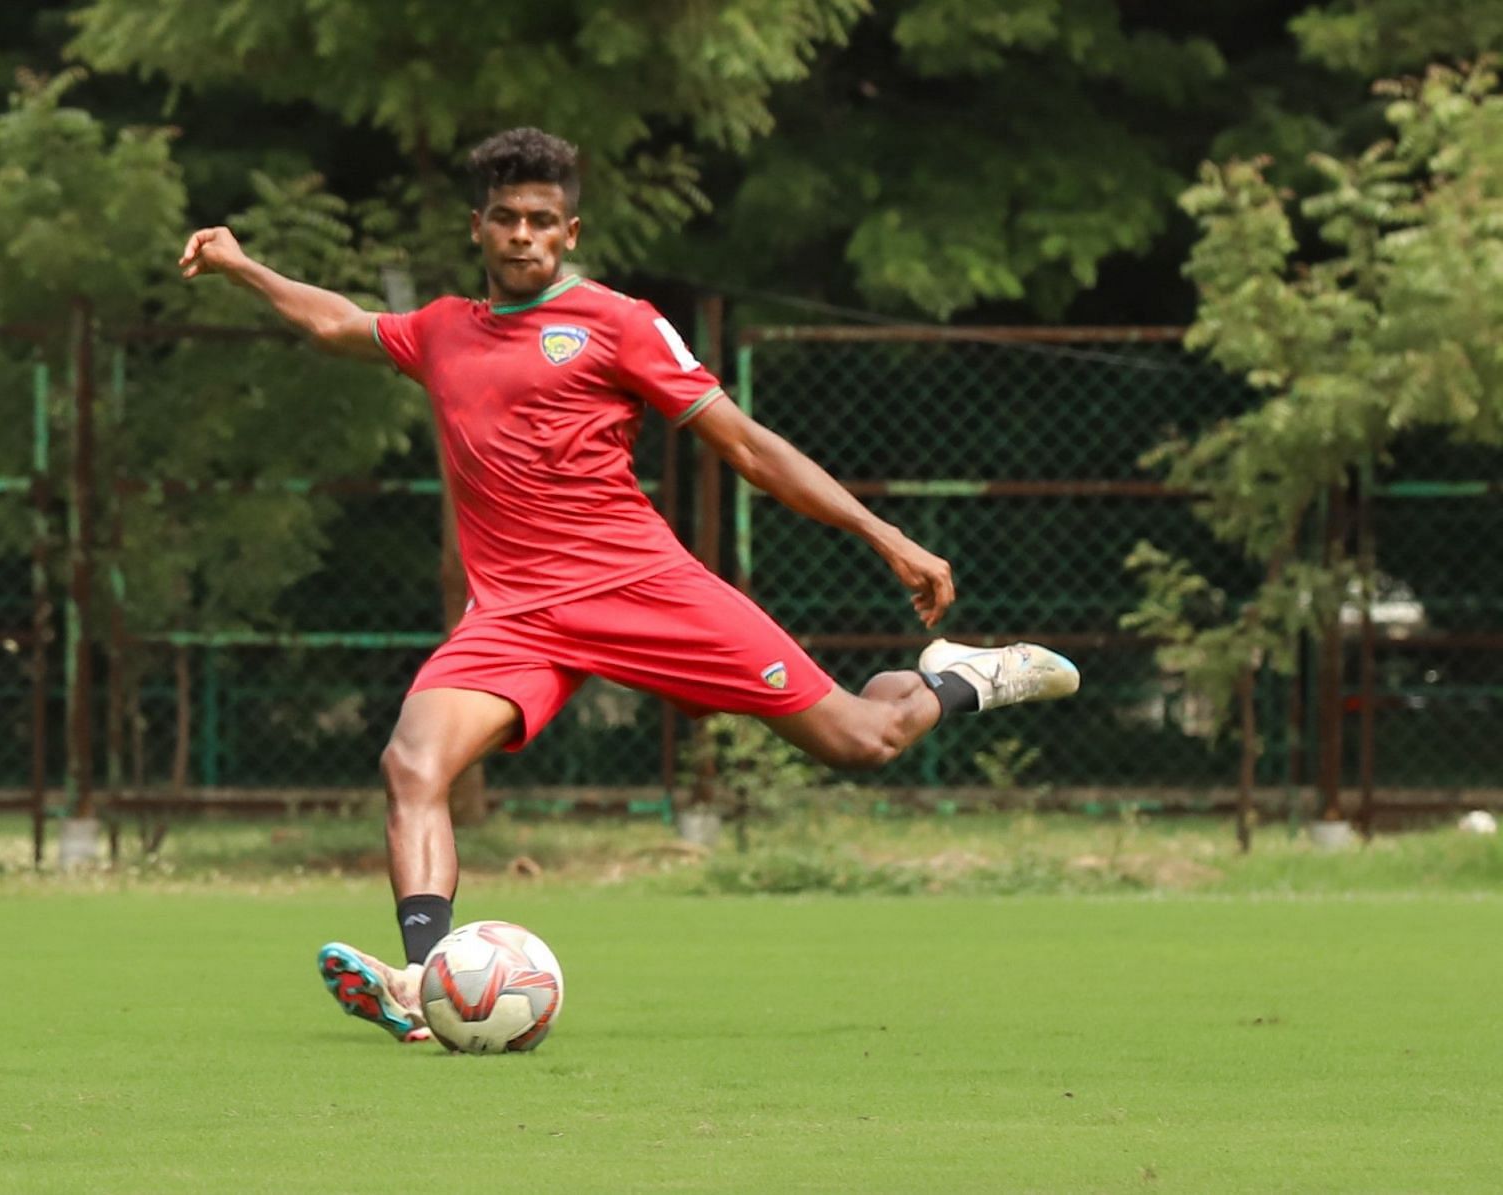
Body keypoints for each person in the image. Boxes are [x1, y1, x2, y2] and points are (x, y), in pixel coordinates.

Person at [179, 128, 1079, 1045]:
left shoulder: (619, 321)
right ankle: (421, 978)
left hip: (638, 585)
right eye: (505, 219)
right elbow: (337, 321)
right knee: (412, 764)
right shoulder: (445, 329)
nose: (523, 234)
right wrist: (241, 264)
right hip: (515, 616)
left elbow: (747, 448)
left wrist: (883, 532)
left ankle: (962, 678)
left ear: (570, 231)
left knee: (863, 738)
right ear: (477, 228)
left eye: (541, 220)